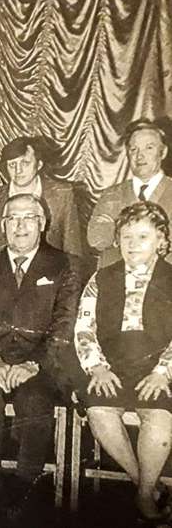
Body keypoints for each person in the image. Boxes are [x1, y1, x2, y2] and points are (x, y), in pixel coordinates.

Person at [0, 193, 80, 513]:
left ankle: (26, 481)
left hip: (41, 364)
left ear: (42, 224)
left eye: (29, 217)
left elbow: (65, 327)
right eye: (13, 218)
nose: (20, 225)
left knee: (35, 400)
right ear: (2, 225)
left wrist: (33, 364)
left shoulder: (63, 265)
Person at [75, 201, 172, 522]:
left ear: (161, 239)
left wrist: (163, 372)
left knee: (158, 416)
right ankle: (144, 484)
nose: (132, 245)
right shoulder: (102, 278)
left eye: (142, 237)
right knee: (100, 412)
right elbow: (83, 327)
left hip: (159, 369)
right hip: (111, 367)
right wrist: (97, 367)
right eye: (126, 237)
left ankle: (144, 494)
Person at [0, 136, 84, 282]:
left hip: (49, 286)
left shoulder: (62, 196)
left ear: (39, 165)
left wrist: (67, 294)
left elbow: (73, 253)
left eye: (25, 163)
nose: (18, 170)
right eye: (12, 165)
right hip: (0, 286)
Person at [88, 119, 172, 268]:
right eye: (133, 149)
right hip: (116, 280)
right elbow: (96, 238)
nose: (140, 156)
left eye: (149, 148)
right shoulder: (111, 195)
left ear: (163, 152)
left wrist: (118, 232)